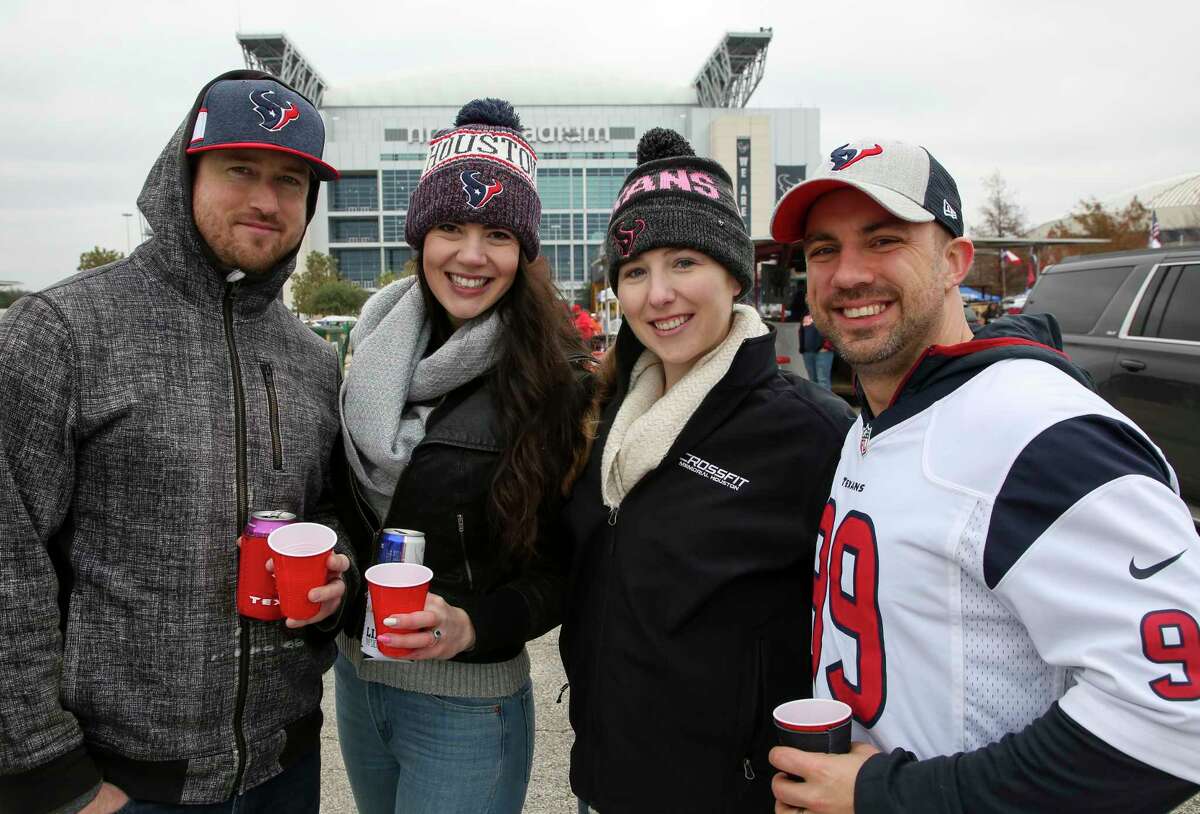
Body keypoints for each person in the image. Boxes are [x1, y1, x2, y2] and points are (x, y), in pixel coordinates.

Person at [767, 140, 1200, 812]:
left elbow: (1177, 721)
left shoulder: (1044, 433)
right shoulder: (877, 417)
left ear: (954, 262)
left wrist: (893, 796)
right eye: (824, 249)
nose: (847, 275)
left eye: (883, 241)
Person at [0, 70, 352, 814]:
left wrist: (334, 580)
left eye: (291, 181)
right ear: (182, 174)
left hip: (283, 768)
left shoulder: (313, 359)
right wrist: (52, 779)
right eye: (240, 170)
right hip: (115, 784)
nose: (266, 199)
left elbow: (325, 509)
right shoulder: (63, 331)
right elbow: (8, 559)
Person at [559, 128, 855, 813]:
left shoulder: (807, 433)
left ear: (733, 273)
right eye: (635, 272)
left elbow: (868, 625)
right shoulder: (607, 414)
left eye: (684, 262)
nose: (657, 295)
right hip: (604, 779)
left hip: (730, 793)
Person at [331, 98, 593, 814]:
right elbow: (335, 497)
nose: (471, 255)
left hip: (468, 706)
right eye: (451, 226)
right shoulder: (372, 343)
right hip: (356, 678)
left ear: (524, 251)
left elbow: (565, 569)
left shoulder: (556, 380)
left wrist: (473, 625)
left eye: (498, 234)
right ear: (421, 236)